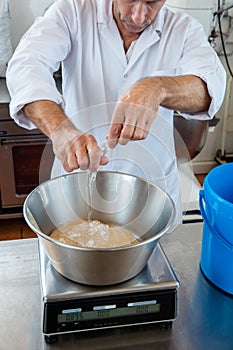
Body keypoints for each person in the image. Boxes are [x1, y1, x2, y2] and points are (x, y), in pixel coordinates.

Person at [6, 0, 226, 223]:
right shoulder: (73, 11)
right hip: (78, 185)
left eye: (152, 2)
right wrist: (60, 131)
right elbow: (27, 66)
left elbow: (211, 88)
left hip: (152, 191)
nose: (139, 17)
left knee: (159, 256)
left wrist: (159, 87)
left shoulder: (183, 29)